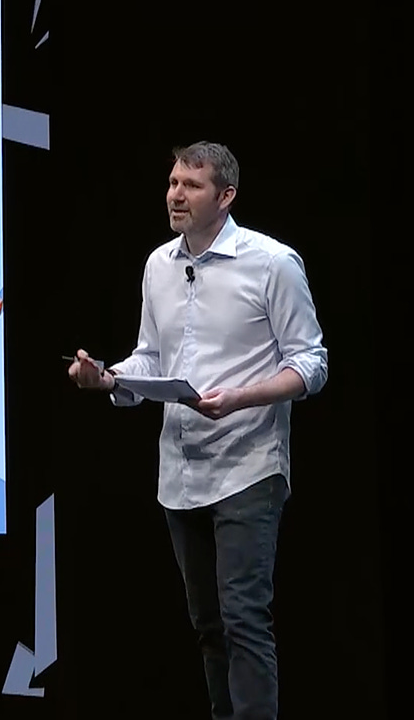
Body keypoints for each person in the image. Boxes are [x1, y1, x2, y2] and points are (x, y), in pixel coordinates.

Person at [68, 142, 327, 720]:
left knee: (244, 620)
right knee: (208, 627)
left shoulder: (271, 263)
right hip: (179, 474)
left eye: (191, 185)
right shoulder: (158, 265)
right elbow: (150, 358)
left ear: (225, 196)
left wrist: (241, 397)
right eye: (172, 183)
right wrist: (108, 378)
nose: (175, 195)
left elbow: (312, 364)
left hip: (248, 467)